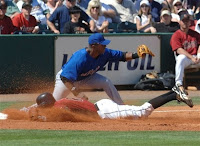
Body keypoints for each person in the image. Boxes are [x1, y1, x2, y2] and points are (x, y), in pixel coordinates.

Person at [53, 33, 154, 105]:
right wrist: (77, 92)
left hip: (85, 78)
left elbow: (123, 56)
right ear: (93, 46)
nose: (105, 45)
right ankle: (38, 109)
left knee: (105, 82)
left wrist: (137, 55)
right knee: (53, 102)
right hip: (67, 80)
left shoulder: (105, 53)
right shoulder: (80, 57)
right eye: (102, 44)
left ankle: (121, 106)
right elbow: (65, 77)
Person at [32, 89, 193, 121]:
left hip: (104, 112)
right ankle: (174, 93)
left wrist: (41, 117)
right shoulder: (58, 102)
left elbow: (63, 114)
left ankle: (174, 94)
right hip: (101, 105)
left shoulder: (59, 106)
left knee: (143, 111)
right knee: (140, 112)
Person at [170, 9, 200, 108]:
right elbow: (178, 50)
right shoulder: (176, 35)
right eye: (183, 20)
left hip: (197, 57)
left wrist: (198, 55)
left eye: (187, 20)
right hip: (187, 59)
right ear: (179, 22)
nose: (185, 22)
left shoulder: (195, 34)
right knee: (181, 58)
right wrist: (191, 57)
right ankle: (179, 85)